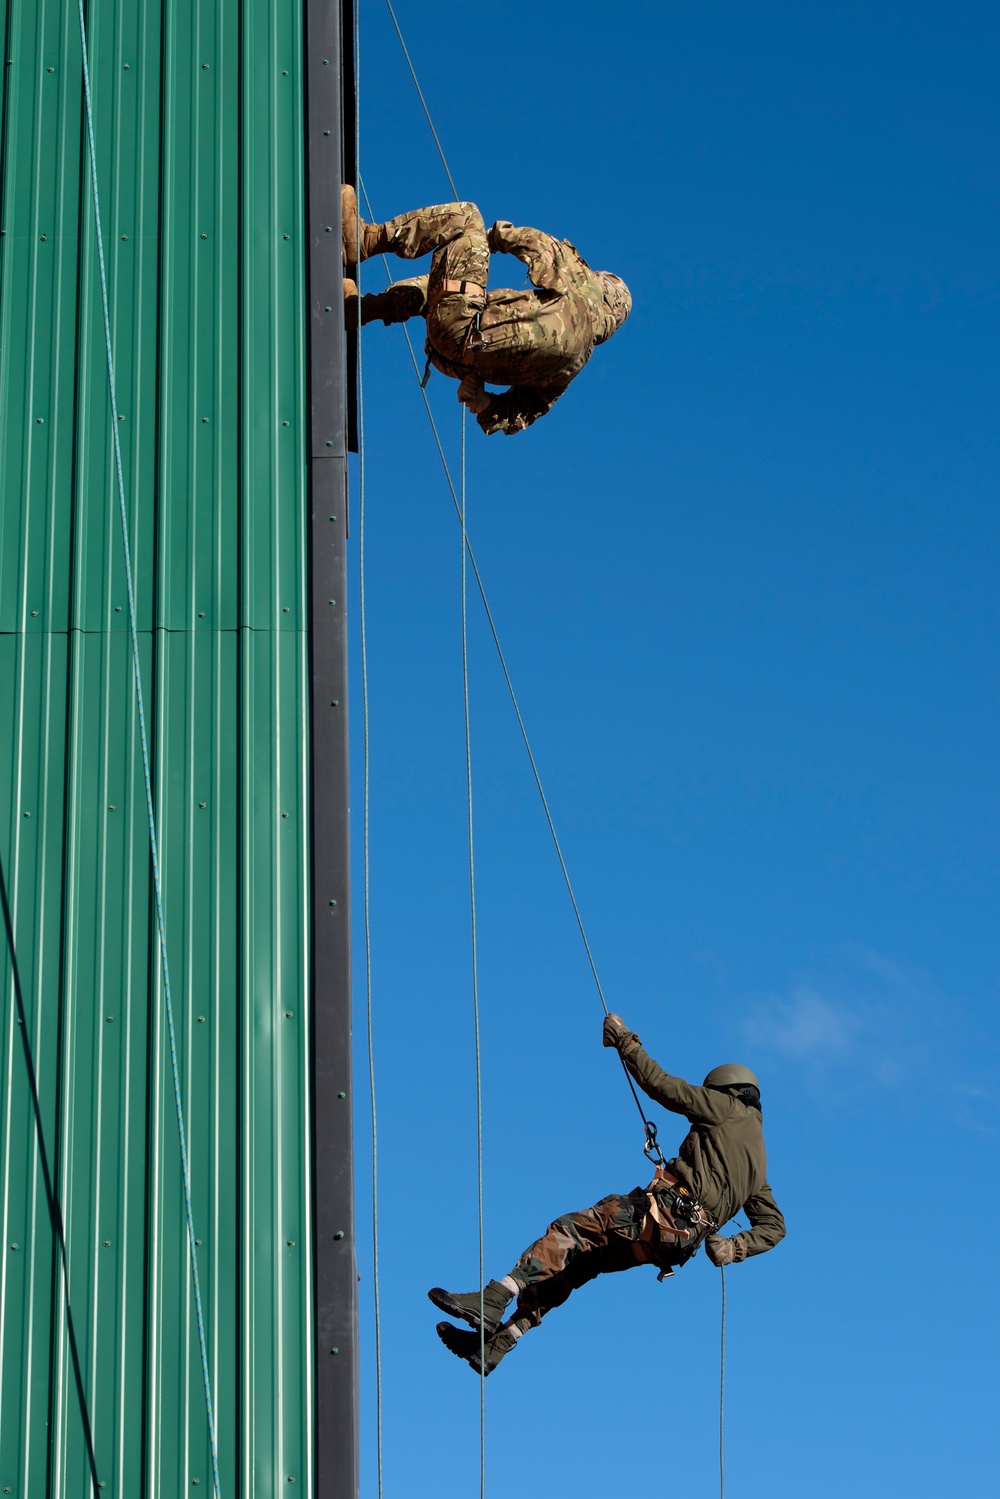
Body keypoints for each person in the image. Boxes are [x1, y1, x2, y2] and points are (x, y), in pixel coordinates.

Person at [430, 1013, 785, 1375]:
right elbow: (774, 1226)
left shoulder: (728, 1110)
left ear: (725, 1090)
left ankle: (495, 1298)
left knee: (571, 1230)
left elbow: (662, 1086)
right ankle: (498, 1343)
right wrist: (734, 1247)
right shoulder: (759, 1163)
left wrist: (625, 1041)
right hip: (671, 1245)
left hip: (660, 1215)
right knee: (582, 1262)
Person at [341, 186, 631, 436]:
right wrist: (482, 401)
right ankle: (359, 309)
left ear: (602, 289)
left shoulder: (585, 288)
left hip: (458, 326)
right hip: (449, 360)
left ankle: (363, 239)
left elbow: (538, 244)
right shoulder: (571, 370)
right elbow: (520, 414)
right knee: (445, 287)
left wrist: (487, 239)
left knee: (467, 217)